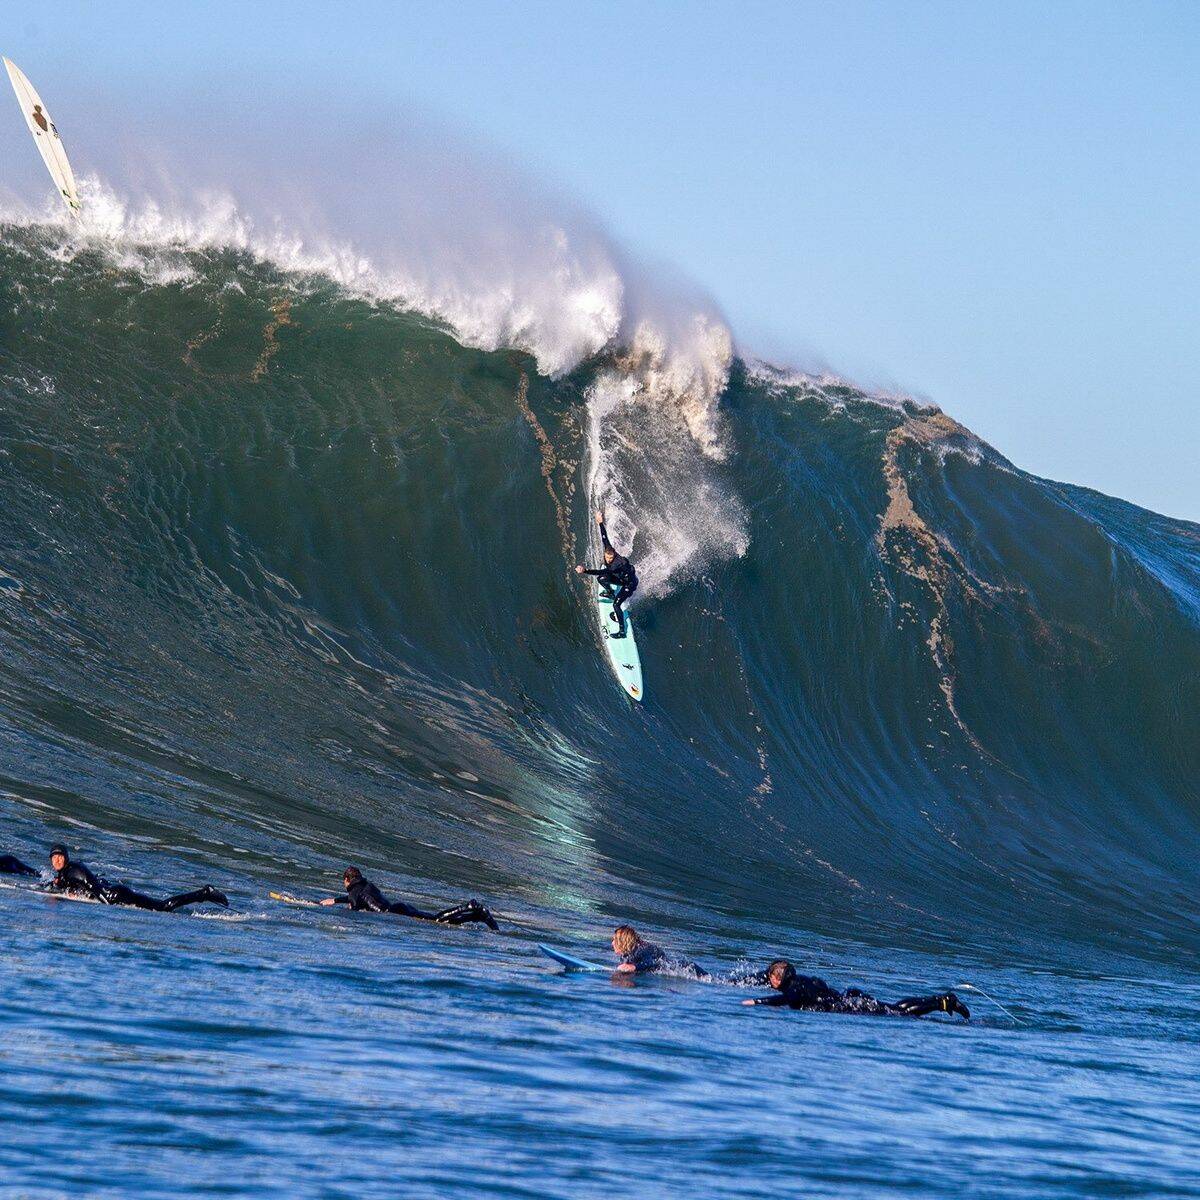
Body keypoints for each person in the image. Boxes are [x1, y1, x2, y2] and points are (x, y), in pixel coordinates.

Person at [740, 959, 970, 1020]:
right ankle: (942, 1002)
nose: (768, 980)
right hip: (850, 999)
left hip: (850, 1005)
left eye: (770, 976)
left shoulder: (794, 988)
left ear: (778, 979)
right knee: (897, 1009)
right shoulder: (803, 979)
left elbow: (786, 1000)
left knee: (901, 1013)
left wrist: (758, 1002)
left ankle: (945, 1001)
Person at [45, 844, 229, 912]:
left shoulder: (74, 869)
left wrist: (108, 907)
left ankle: (205, 893)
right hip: (114, 894)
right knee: (163, 906)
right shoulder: (64, 873)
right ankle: (204, 893)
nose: (57, 859)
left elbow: (95, 889)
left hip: (115, 897)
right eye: (54, 857)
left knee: (163, 907)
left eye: (60, 855)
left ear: (66, 857)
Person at [319, 867, 499, 930]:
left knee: (436, 920)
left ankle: (468, 906)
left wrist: (342, 904)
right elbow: (358, 898)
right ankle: (477, 916)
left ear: (347, 880)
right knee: (439, 921)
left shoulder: (353, 893)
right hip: (399, 907)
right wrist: (336, 900)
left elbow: (354, 905)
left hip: (395, 913)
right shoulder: (367, 885)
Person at [575, 510, 638, 637]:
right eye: (607, 558)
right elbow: (604, 537)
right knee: (601, 579)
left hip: (629, 584)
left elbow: (601, 571)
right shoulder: (608, 549)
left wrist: (584, 570)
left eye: (611, 558)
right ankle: (610, 593)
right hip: (621, 579)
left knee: (616, 605)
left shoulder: (616, 564)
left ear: (614, 555)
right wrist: (600, 523)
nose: (608, 560)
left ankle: (622, 632)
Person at [611, 924, 710, 979]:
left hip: (690, 969)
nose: (612, 943)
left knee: (714, 981)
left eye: (615, 940)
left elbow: (651, 962)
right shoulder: (628, 954)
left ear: (623, 941)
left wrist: (633, 967)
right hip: (684, 970)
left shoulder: (641, 949)